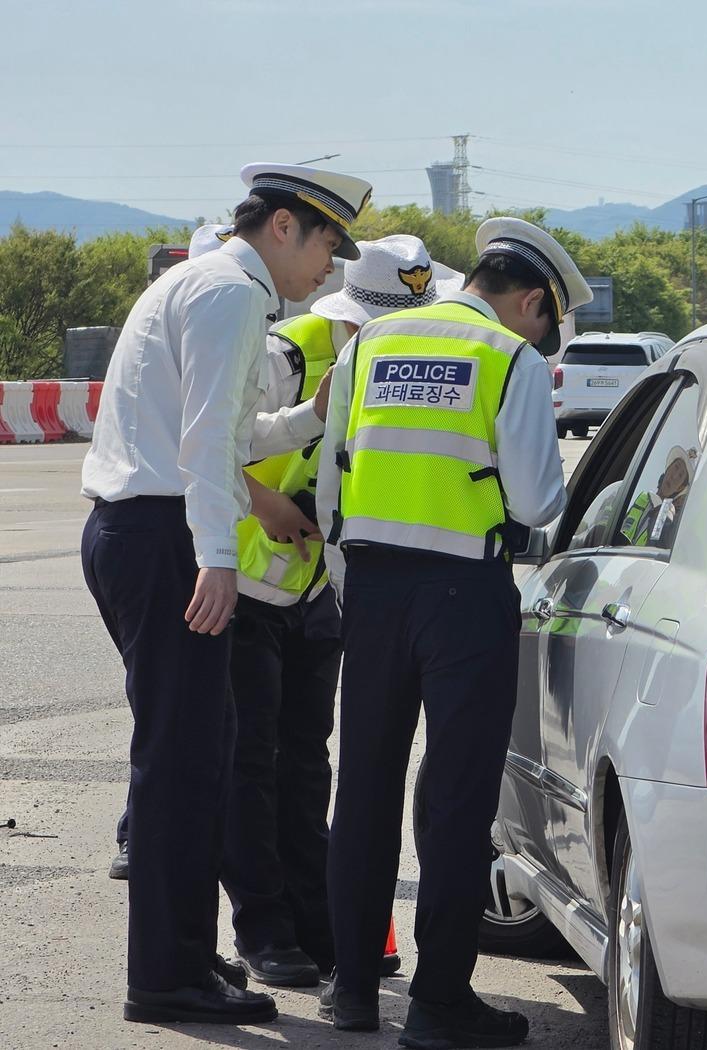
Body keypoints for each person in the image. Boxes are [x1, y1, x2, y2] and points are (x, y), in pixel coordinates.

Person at [81, 162, 370, 1025]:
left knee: (197, 754)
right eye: (326, 244)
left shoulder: (210, 284)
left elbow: (236, 434)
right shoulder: (233, 295)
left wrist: (314, 415)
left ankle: (177, 950)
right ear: (283, 226)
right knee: (183, 765)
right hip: (163, 537)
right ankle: (165, 977)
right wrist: (215, 557)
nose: (331, 269)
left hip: (145, 531)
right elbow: (206, 445)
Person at [316, 217, 592, 1047]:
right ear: (532, 300)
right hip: (463, 594)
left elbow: (335, 470)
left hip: (368, 586)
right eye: (546, 320)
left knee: (362, 788)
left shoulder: (370, 344)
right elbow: (540, 502)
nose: (540, 335)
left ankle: (353, 989)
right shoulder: (508, 359)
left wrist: (350, 581)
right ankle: (437, 1000)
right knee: (456, 797)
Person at [221, 235, 449, 989]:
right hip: (248, 589)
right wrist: (268, 504)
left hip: (320, 591)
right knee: (252, 767)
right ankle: (265, 930)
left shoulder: (410, 365)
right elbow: (206, 444)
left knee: (308, 764)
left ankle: (323, 926)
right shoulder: (288, 354)